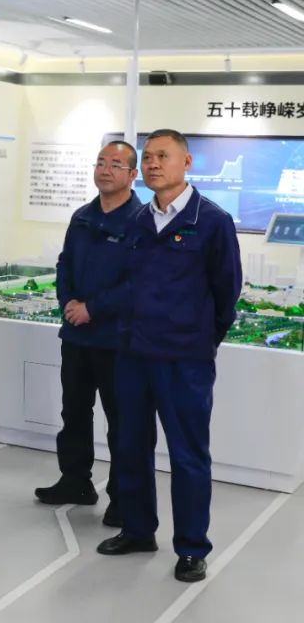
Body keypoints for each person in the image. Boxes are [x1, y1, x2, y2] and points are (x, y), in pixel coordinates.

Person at [96, 129, 241, 584]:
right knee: (130, 446)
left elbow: (226, 293)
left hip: (184, 360)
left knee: (187, 456)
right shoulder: (139, 220)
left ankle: (192, 548)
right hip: (133, 354)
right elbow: (126, 285)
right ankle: (138, 530)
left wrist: (200, 341)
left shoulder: (211, 220)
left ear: (187, 162)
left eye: (163, 155)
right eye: (148, 157)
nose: (153, 164)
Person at [34, 141, 142, 527]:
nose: (105, 170)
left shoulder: (142, 221)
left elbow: (138, 282)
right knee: (74, 413)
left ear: (132, 175)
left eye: (116, 164)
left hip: (118, 340)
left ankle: (124, 499)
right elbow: (64, 265)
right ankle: (75, 481)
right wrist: (68, 302)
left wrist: (92, 308)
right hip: (77, 338)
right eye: (100, 163)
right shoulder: (82, 216)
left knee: (122, 422)